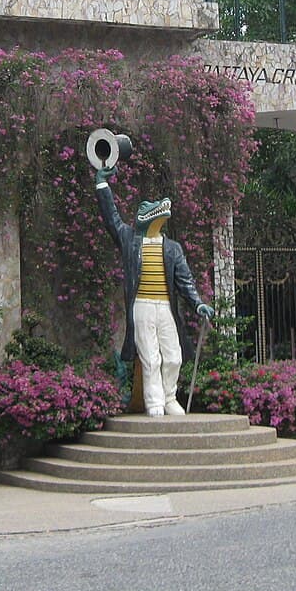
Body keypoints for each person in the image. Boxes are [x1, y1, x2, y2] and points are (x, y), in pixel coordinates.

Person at [94, 165, 214, 416]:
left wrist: (198, 303)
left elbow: (185, 281)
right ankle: (154, 402)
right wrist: (102, 185)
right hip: (142, 305)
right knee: (150, 357)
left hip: (165, 307)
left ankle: (169, 397)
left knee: (173, 357)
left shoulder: (173, 248)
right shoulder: (129, 239)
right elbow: (111, 218)